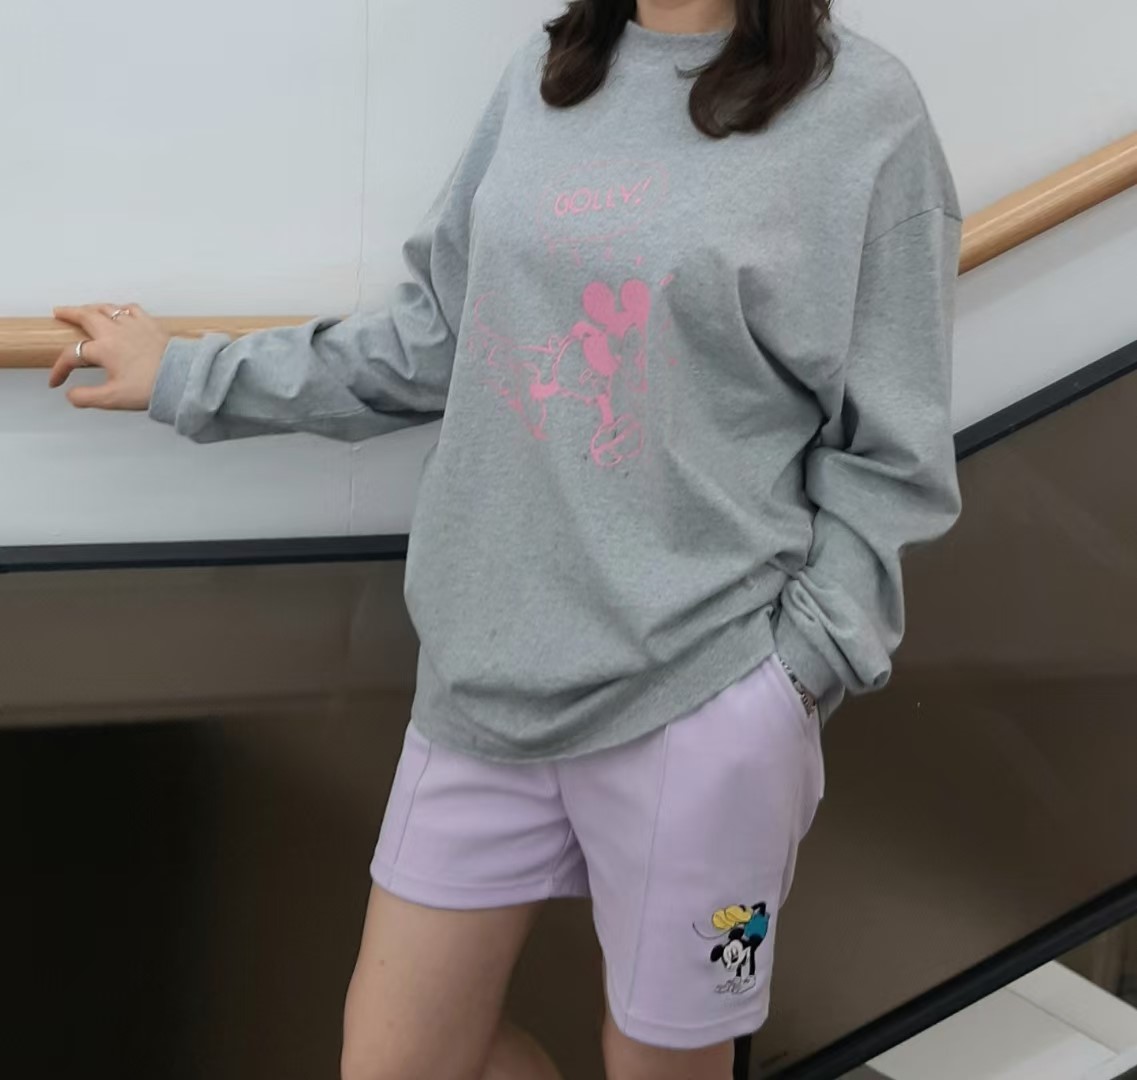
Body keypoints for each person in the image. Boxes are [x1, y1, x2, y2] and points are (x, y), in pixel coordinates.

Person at [49, 0, 962, 1076]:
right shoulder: (549, 74)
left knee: (660, 1065)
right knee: (397, 1061)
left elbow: (892, 452)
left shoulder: (864, 114)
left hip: (702, 695)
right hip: (482, 679)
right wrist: (189, 375)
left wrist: (797, 673)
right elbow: (434, 339)